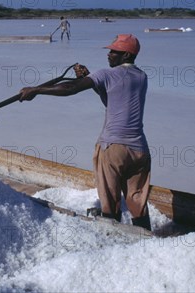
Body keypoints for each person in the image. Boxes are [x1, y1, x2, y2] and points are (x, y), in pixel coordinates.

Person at [19, 34, 152, 230]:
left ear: (125, 55)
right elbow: (112, 99)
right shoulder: (141, 76)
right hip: (140, 149)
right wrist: (91, 79)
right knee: (138, 204)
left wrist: (36, 90)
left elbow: (70, 88)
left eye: (113, 51)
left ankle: (113, 242)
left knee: (110, 202)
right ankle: (146, 241)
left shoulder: (106, 74)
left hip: (113, 148)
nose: (109, 54)